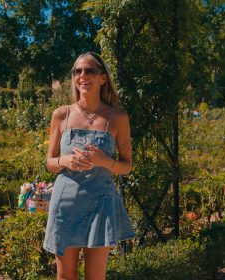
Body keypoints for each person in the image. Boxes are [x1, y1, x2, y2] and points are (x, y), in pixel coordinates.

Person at [43, 52, 135, 280]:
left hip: (101, 203)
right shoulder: (61, 115)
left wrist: (106, 162)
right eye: (77, 71)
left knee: (95, 277)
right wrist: (65, 161)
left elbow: (127, 166)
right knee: (65, 277)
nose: (83, 75)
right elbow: (50, 163)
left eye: (90, 70)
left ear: (103, 78)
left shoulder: (118, 117)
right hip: (65, 203)